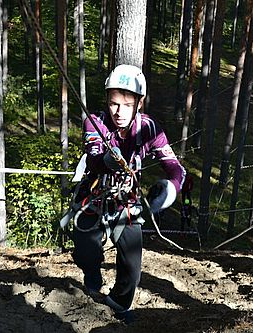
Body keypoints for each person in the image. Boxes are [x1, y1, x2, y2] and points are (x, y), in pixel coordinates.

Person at [71, 64, 185, 322]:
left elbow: (177, 169)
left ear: (139, 103)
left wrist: (171, 189)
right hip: (93, 198)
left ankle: (119, 303)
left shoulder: (150, 129)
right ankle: (92, 272)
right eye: (113, 104)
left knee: (132, 269)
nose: (119, 112)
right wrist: (108, 161)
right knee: (86, 254)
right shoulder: (95, 122)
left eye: (126, 104)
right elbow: (95, 156)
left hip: (126, 202)